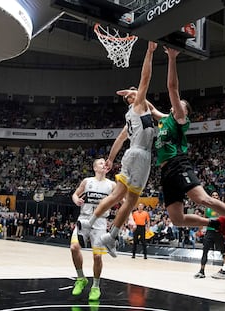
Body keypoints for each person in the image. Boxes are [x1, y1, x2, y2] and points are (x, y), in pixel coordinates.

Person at [152, 47, 225, 250]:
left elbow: (172, 88)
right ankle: (215, 223)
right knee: (177, 219)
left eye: (182, 105)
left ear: (184, 112)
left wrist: (171, 58)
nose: (178, 105)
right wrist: (134, 94)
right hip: (165, 172)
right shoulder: (164, 119)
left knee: (203, 199)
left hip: (178, 164)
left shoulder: (178, 119)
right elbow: (149, 108)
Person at [77, 41, 158, 257]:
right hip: (141, 155)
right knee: (131, 200)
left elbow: (119, 141)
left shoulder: (133, 116)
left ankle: (92, 225)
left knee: (117, 196)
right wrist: (149, 53)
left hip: (130, 154)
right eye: (134, 94)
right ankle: (111, 236)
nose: (137, 93)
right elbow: (145, 79)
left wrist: (111, 159)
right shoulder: (138, 105)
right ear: (131, 99)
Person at [70, 158, 116, 301]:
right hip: (84, 218)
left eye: (105, 163)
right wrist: (76, 199)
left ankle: (95, 286)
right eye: (101, 163)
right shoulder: (87, 181)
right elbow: (75, 194)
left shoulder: (112, 185)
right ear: (95, 168)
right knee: (73, 247)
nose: (104, 165)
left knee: (97, 256)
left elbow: (125, 201)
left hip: (101, 221)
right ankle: (81, 278)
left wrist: (131, 218)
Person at [194, 191, 225, 279]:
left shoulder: (221, 207)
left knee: (223, 252)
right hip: (209, 232)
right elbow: (204, 219)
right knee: (205, 251)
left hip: (219, 232)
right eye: (213, 195)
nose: (215, 196)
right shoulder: (207, 208)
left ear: (218, 197)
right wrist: (200, 229)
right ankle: (201, 271)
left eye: (216, 195)